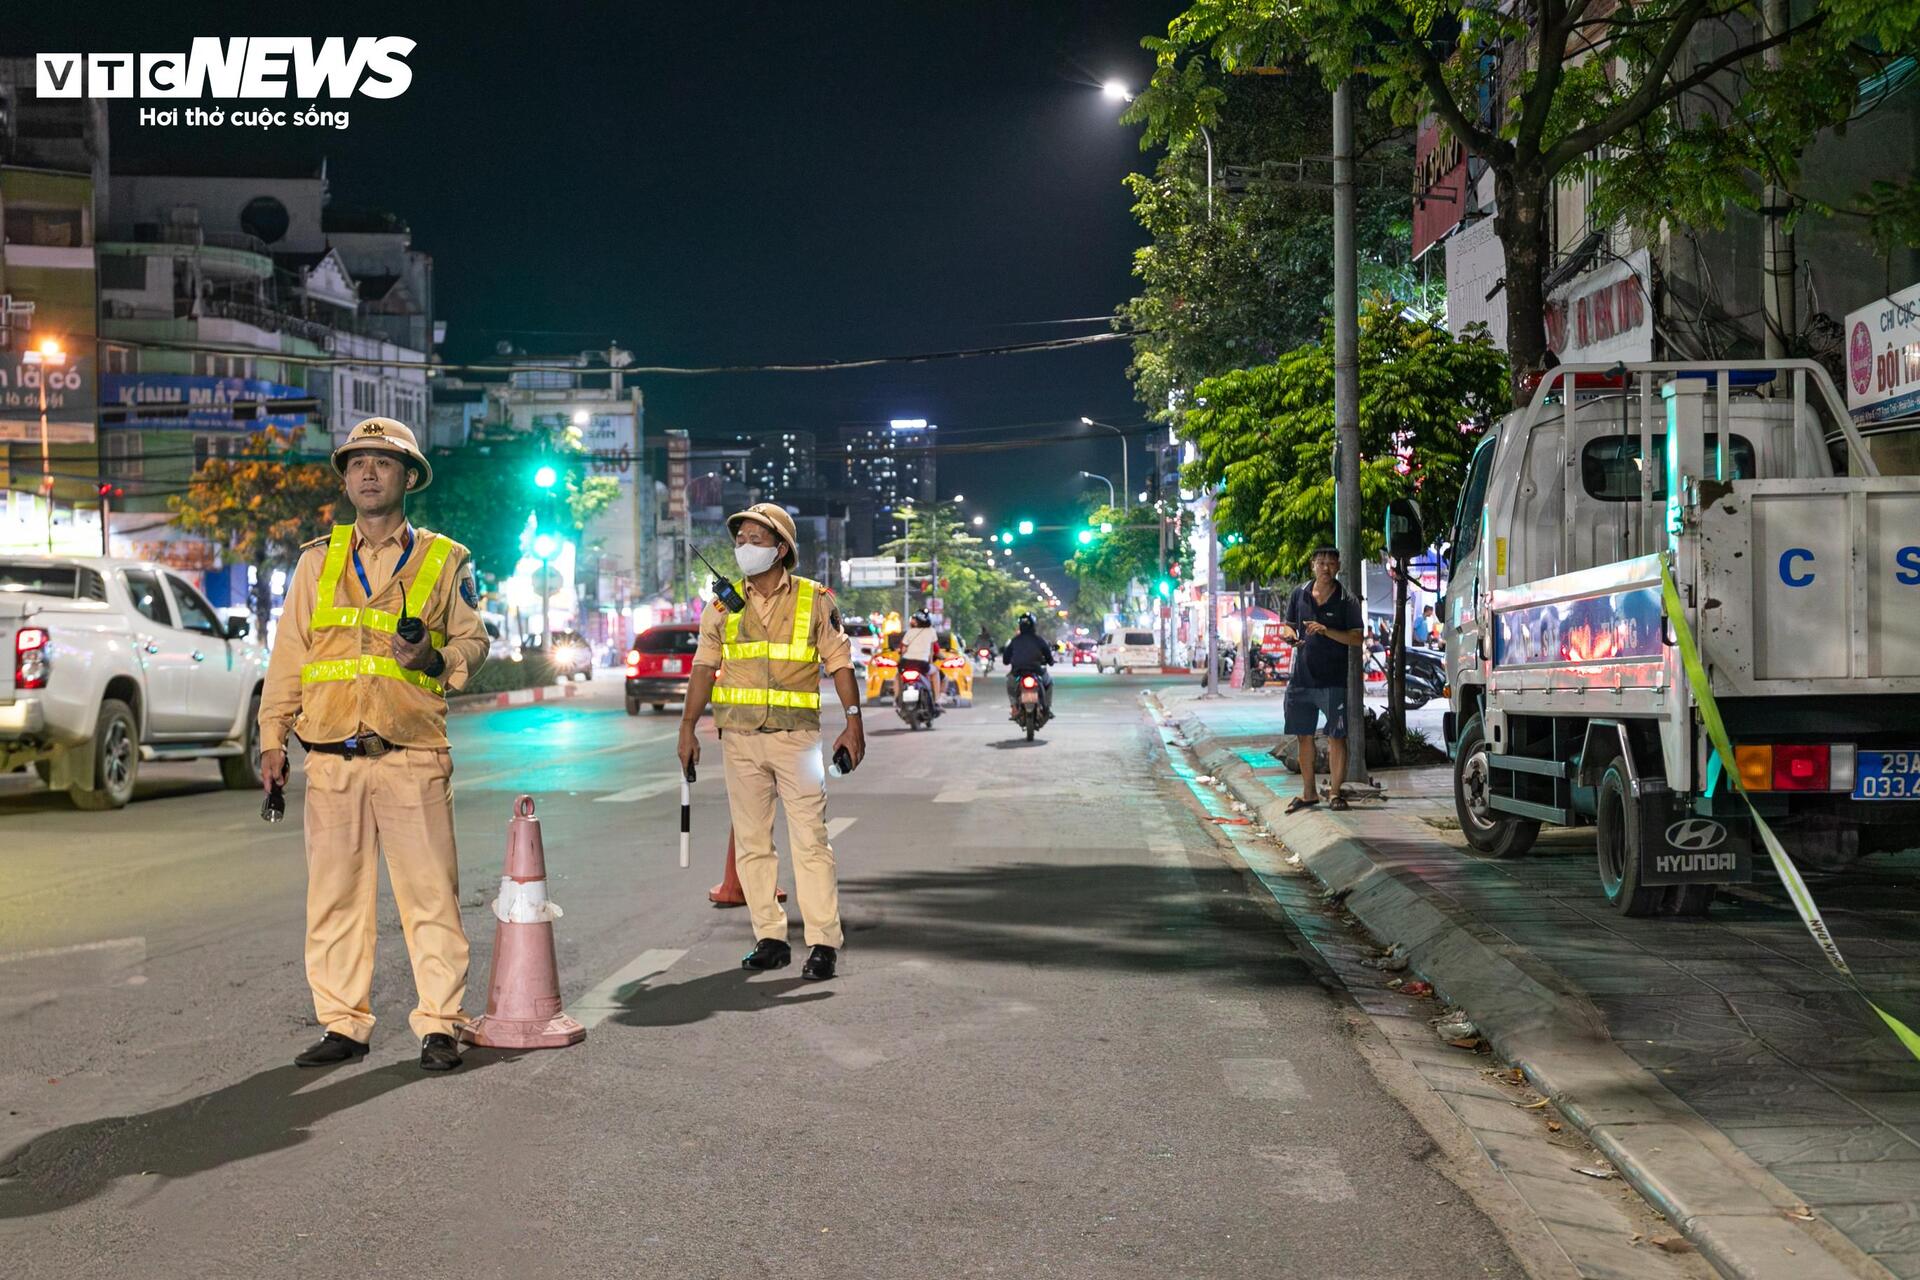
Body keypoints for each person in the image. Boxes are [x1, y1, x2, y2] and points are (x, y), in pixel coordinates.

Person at [259, 417, 490, 1073]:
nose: (366, 473)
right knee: (333, 898)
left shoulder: (447, 560)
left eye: (382, 463)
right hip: (332, 757)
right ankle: (343, 1024)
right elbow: (290, 661)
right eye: (356, 463)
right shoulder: (316, 562)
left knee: (431, 897)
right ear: (345, 478)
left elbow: (476, 644)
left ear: (408, 477)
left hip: (412, 753)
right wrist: (272, 737)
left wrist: (431, 656)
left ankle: (441, 1023)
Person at [678, 503, 865, 981]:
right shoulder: (721, 606)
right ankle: (770, 938)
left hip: (796, 741)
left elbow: (840, 663)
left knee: (810, 842)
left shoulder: (814, 599)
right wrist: (687, 728)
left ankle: (823, 942)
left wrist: (853, 721)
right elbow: (704, 668)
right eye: (739, 540)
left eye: (755, 540)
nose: (744, 549)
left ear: (781, 548)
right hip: (739, 740)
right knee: (752, 844)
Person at [1281, 546, 1365, 814]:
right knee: (1303, 737)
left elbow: (1356, 637)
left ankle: (1336, 792)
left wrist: (1326, 631)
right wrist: (1288, 636)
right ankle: (1309, 793)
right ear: (1312, 565)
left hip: (1332, 681)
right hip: (1300, 680)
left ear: (1338, 566)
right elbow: (1288, 624)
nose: (1325, 568)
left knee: (1336, 737)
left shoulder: (1346, 600)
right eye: (1321, 563)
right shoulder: (1299, 593)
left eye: (1331, 563)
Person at [1000, 612, 1054, 718]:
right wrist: (1050, 661)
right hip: (1036, 670)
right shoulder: (1039, 640)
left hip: (1017, 671)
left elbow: (1005, 660)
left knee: (1010, 684)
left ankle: (1014, 707)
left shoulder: (1014, 641)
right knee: (1049, 683)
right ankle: (1047, 707)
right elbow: (1048, 656)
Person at [899, 608, 945, 711]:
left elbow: (903, 649)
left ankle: (896, 699)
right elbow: (935, 650)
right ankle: (937, 699)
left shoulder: (909, 632)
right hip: (922, 664)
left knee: (897, 676)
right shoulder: (931, 632)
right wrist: (942, 657)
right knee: (935, 672)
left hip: (905, 663)